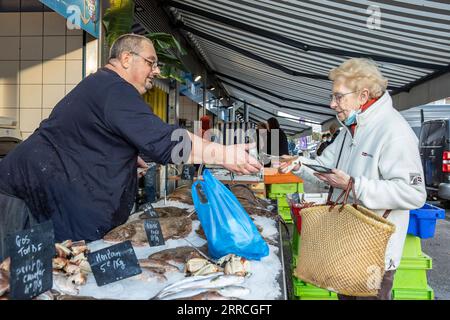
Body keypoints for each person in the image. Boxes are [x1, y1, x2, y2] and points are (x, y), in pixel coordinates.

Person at [0, 34, 260, 260]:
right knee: (19, 278)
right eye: (151, 62)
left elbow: (97, 137)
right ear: (126, 59)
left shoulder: (103, 86)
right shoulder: (114, 89)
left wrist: (123, 155)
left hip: (41, 195)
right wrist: (223, 153)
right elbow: (163, 141)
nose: (156, 71)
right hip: (27, 198)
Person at [280, 58, 426, 300]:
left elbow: (414, 194)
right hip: (346, 243)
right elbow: (325, 170)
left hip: (373, 252)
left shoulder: (394, 131)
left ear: (363, 95)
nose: (332, 104)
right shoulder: (350, 129)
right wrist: (298, 165)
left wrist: (354, 185)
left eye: (338, 97)